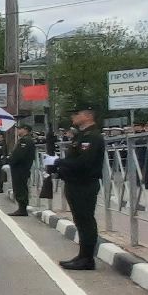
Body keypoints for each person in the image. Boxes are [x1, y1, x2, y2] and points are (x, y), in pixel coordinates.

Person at [52, 103, 104, 270]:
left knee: (86, 221)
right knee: (80, 221)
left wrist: (58, 161)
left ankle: (87, 259)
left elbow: (84, 162)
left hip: (84, 184)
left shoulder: (92, 137)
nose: (73, 117)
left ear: (88, 115)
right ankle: (82, 256)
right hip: (75, 183)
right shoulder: (81, 136)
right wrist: (60, 170)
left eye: (76, 113)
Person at [7, 124, 35, 215]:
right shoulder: (25, 140)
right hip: (20, 168)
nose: (18, 131)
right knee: (19, 187)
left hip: (21, 168)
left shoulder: (25, 140)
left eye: (20, 129)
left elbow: (19, 155)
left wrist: (10, 160)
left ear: (25, 129)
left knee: (20, 187)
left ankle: (22, 209)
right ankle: (21, 208)